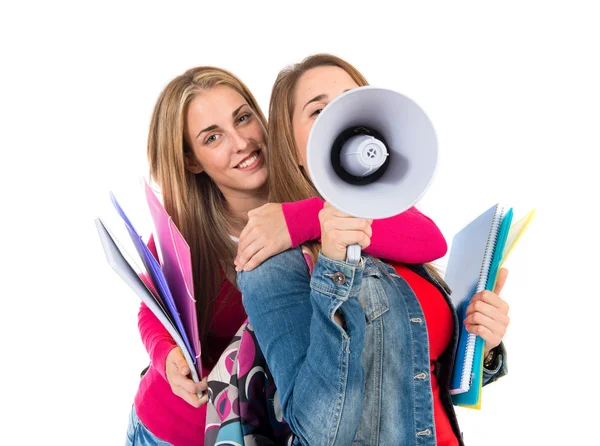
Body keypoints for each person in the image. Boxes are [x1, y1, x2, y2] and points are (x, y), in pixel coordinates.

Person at [126, 65, 449, 445]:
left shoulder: (319, 187)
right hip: (173, 427)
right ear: (193, 161)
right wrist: (164, 356)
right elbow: (153, 307)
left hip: (271, 426)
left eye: (243, 118)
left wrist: (302, 219)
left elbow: (429, 240)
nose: (241, 142)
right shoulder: (184, 233)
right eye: (213, 137)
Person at [237, 53, 510, 446]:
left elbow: (423, 380)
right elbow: (319, 431)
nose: (340, 118)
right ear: (293, 149)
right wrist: (334, 265)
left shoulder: (394, 240)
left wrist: (484, 342)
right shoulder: (274, 265)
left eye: (351, 100)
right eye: (318, 111)